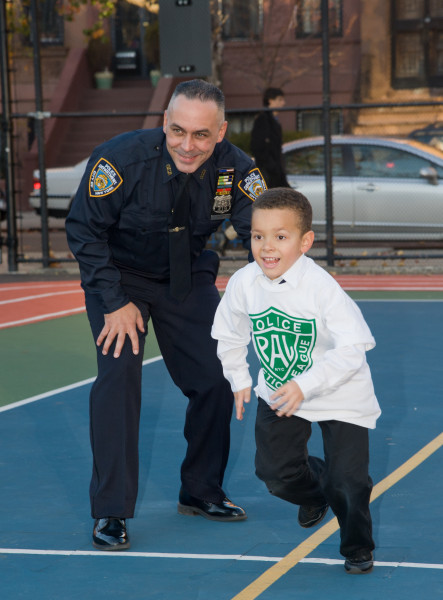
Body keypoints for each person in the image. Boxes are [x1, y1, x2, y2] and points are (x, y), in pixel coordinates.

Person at [65, 79, 267, 550]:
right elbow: (84, 230)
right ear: (165, 124)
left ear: (220, 133)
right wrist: (114, 302)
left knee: (216, 379)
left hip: (187, 278)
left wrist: (287, 288)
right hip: (120, 278)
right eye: (178, 131)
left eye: (201, 135)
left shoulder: (236, 171)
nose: (187, 145)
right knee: (118, 382)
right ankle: (111, 510)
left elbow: (262, 232)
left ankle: (200, 490)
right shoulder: (119, 161)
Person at [211, 187, 381, 574]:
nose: (267, 247)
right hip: (280, 390)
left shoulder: (322, 289)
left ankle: (357, 547)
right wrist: (238, 377)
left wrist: (309, 383)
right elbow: (230, 333)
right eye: (258, 236)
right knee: (276, 475)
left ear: (305, 242)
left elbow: (355, 346)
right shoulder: (243, 283)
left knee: (349, 483)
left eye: (280, 237)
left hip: (340, 391)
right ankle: (317, 489)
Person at [250, 87, 289, 188]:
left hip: (275, 172)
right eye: (280, 99)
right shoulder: (263, 120)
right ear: (270, 101)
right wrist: (271, 166)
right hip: (268, 174)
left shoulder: (274, 121)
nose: (283, 103)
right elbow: (258, 145)